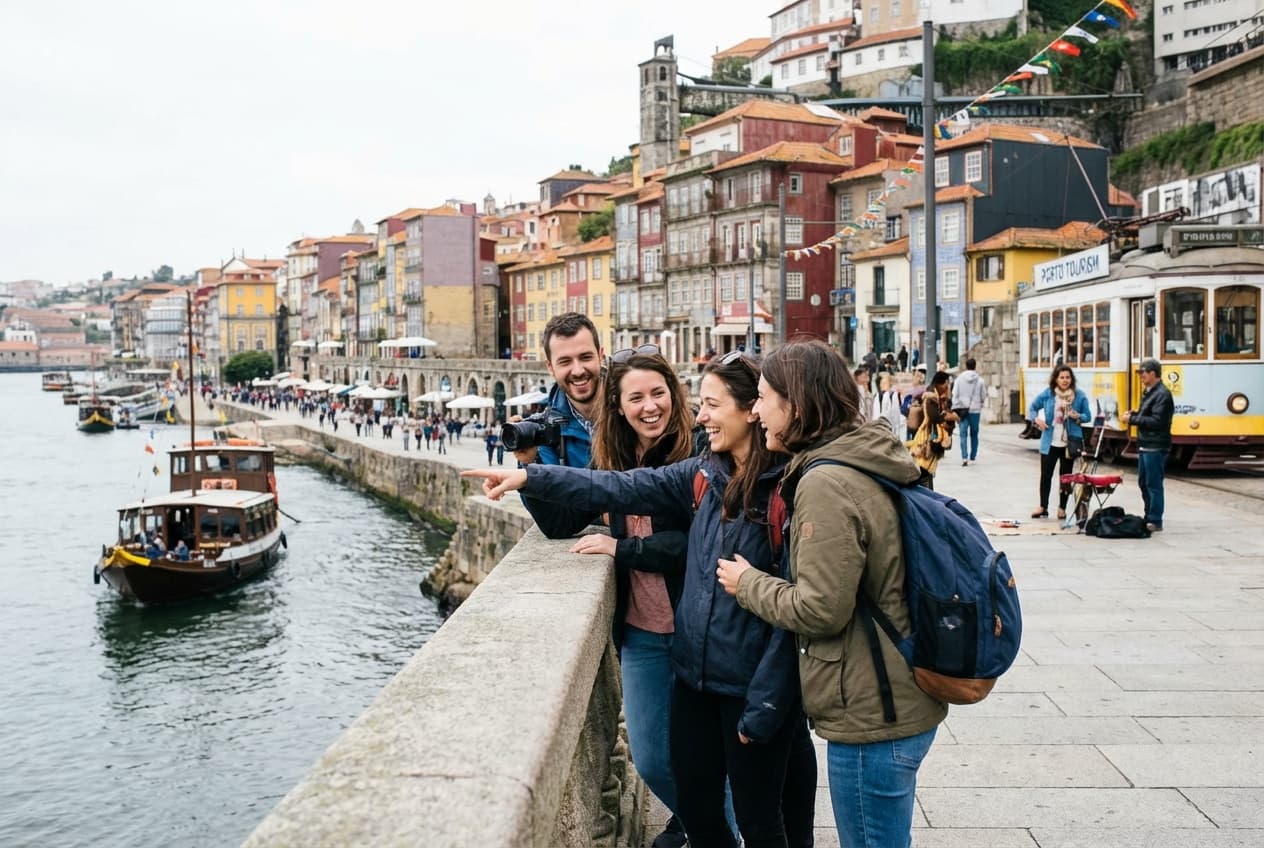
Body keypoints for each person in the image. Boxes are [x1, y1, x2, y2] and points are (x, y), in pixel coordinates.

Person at [464, 352, 816, 848]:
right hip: (695, 678)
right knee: (698, 810)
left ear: (750, 410)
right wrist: (531, 476)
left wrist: (767, 703)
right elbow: (620, 485)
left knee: (762, 821)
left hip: (749, 683)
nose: (701, 415)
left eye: (713, 405)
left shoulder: (787, 490)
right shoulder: (703, 473)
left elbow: (798, 609)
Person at [716, 339, 946, 848]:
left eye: (763, 398)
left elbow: (821, 608)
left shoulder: (826, 483)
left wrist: (747, 583)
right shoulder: (867, 455)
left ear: (794, 405)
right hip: (898, 699)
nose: (756, 411)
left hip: (872, 714)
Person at [520, 346, 699, 848]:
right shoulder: (614, 457)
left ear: (674, 394)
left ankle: (709, 830)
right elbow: (559, 523)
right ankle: (701, 821)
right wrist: (528, 466)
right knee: (648, 756)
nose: (649, 407)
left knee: (707, 754)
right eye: (636, 397)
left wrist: (623, 547)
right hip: (641, 628)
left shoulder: (699, 453)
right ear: (617, 406)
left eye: (658, 393)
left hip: (696, 625)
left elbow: (692, 545)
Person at [512, 313, 603, 538]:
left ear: (601, 356)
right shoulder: (548, 431)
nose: (578, 370)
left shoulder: (632, 407)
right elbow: (556, 524)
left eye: (585, 357)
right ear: (550, 367)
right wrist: (529, 464)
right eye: (565, 361)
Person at [1026, 364, 1093, 520]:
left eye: (1068, 377)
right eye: (1061, 377)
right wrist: (1037, 420)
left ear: (1072, 379)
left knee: (1066, 477)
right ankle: (1043, 506)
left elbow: (1088, 416)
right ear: (1056, 379)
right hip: (1050, 442)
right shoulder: (1048, 394)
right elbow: (1033, 407)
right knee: (1046, 475)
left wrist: (1077, 416)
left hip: (1069, 444)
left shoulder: (1079, 395)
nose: (1065, 380)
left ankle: (1062, 507)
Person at [1122, 357, 1174, 532]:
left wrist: (1133, 419)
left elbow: (1157, 421)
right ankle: (1148, 515)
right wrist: (1135, 414)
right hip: (1146, 444)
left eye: (1142, 373)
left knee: (1153, 484)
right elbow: (1149, 415)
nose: (1140, 376)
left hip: (1155, 445)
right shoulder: (1150, 391)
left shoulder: (1162, 394)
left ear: (1153, 373)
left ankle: (1155, 519)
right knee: (1144, 482)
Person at [907, 392, 951, 489]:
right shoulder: (933, 424)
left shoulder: (929, 426)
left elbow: (922, 444)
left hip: (923, 463)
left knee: (924, 487)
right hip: (925, 464)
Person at [951, 357, 987, 466]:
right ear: (975, 366)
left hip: (962, 411)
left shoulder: (959, 379)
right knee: (974, 434)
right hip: (975, 410)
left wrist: (957, 406)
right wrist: (980, 403)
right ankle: (973, 456)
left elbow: (954, 394)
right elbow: (983, 395)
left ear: (966, 366)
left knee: (963, 434)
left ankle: (964, 457)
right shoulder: (980, 380)